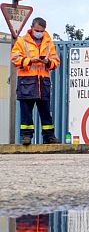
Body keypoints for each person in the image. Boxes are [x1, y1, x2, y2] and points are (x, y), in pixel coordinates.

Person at [11, 17, 61, 145]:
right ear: (32, 27)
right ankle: (26, 137)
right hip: (26, 81)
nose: (39, 33)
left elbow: (56, 62)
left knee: (45, 112)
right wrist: (30, 61)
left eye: (41, 31)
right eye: (37, 30)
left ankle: (49, 137)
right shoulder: (22, 41)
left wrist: (48, 62)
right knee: (26, 112)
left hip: (43, 82)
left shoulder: (49, 43)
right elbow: (15, 58)